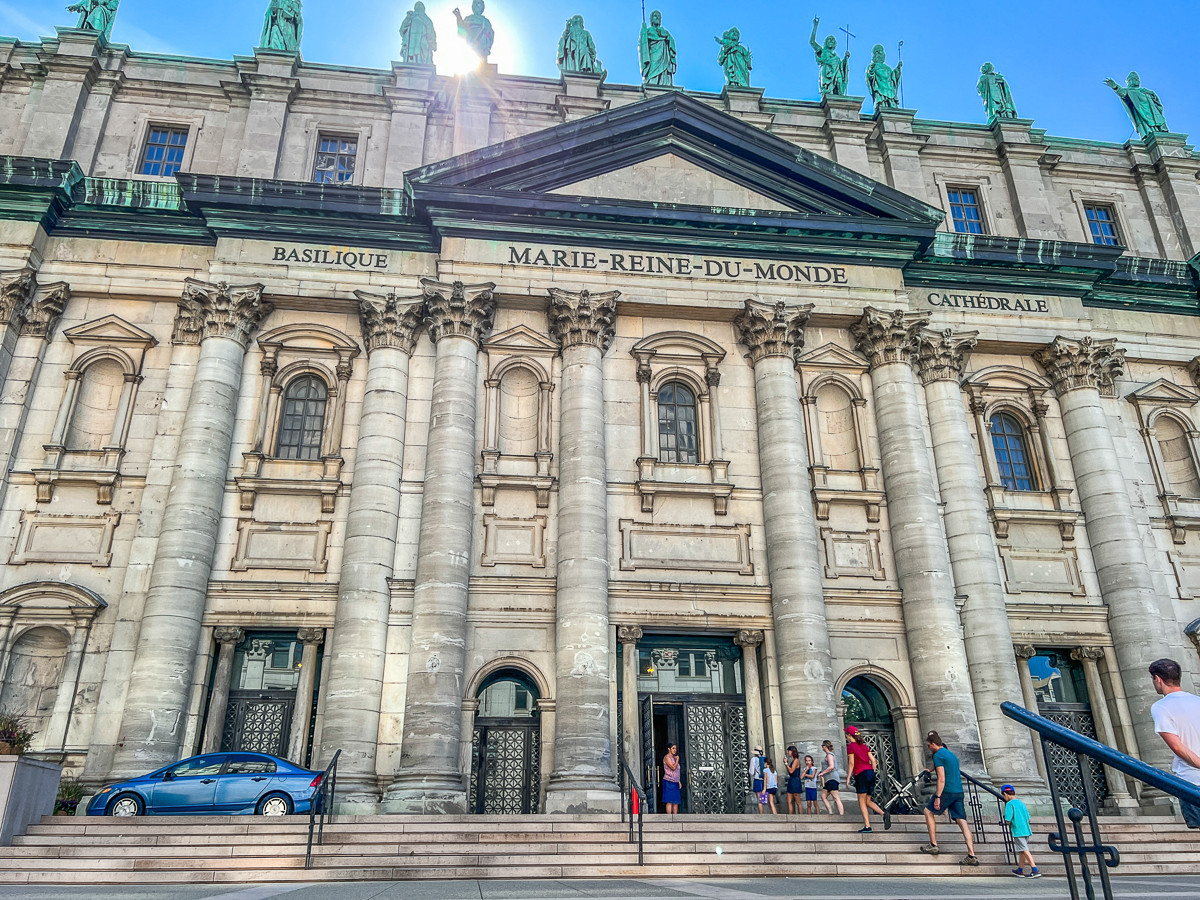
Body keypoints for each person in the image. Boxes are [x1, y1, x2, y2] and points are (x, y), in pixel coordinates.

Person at [1150, 658, 1200, 828]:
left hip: (1191, 781)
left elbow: (1178, 747)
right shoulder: (1198, 701)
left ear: (1157, 679)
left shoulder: (1161, 707)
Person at [920, 730, 979, 866]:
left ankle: (933, 844)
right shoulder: (950, 755)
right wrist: (930, 769)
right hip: (958, 791)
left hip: (947, 791)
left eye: (929, 746)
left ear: (934, 744)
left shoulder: (938, 756)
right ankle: (972, 855)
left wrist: (938, 797)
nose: (928, 748)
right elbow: (945, 768)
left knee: (928, 812)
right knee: (962, 822)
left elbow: (941, 778)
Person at [845, 726, 885, 832]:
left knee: (861, 801)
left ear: (849, 735)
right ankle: (884, 814)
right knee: (867, 800)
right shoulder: (864, 746)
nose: (846, 736)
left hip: (861, 774)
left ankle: (867, 826)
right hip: (870, 773)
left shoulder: (851, 746)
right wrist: (872, 771)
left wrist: (848, 777)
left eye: (846, 734)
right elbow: (873, 760)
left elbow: (851, 763)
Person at [1002, 784, 1040, 878]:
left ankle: (1034, 869)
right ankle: (1020, 869)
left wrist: (1008, 823)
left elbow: (1008, 819)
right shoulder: (1021, 803)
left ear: (1005, 794)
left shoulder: (1009, 804)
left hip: (1018, 830)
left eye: (1003, 795)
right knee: (1022, 850)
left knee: (1024, 849)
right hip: (1026, 829)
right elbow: (1028, 818)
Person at [638, 10, 676, 87]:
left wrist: (668, 38)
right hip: (654, 55)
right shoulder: (648, 31)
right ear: (651, 19)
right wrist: (643, 32)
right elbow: (642, 44)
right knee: (653, 72)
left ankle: (666, 85)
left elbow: (672, 42)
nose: (657, 18)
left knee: (665, 73)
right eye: (655, 16)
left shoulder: (665, 32)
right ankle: (652, 83)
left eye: (659, 16)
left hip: (665, 56)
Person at [818, 739, 845, 815]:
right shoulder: (827, 755)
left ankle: (841, 814)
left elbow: (831, 766)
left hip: (832, 779)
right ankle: (830, 812)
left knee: (836, 797)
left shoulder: (830, 755)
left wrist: (822, 773)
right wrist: (822, 772)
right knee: (823, 796)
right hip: (827, 779)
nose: (822, 747)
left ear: (825, 746)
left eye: (822, 746)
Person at [661, 743, 681, 814]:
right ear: (669, 749)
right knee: (669, 800)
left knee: (675, 801)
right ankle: (669, 817)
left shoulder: (674, 758)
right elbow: (673, 767)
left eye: (675, 748)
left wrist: (679, 781)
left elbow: (677, 771)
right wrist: (677, 760)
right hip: (668, 781)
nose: (675, 750)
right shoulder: (667, 758)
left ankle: (675, 817)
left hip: (675, 781)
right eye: (673, 748)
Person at [785, 746, 803, 814]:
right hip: (791, 780)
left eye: (789, 751)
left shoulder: (796, 760)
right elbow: (789, 771)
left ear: (792, 751)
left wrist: (786, 763)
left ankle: (801, 816)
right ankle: (790, 816)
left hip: (795, 781)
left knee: (798, 801)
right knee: (789, 801)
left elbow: (791, 771)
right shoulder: (793, 761)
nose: (788, 752)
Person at [749, 746, 766, 814]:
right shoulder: (765, 759)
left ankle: (761, 815)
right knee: (763, 800)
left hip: (757, 780)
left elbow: (752, 772)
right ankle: (765, 813)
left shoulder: (753, 759)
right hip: (764, 780)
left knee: (759, 800)